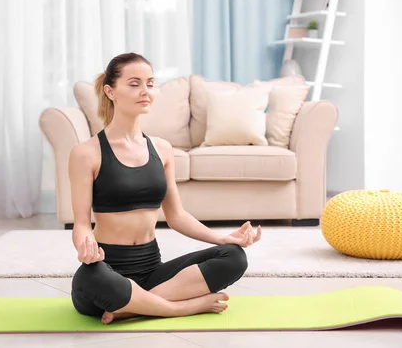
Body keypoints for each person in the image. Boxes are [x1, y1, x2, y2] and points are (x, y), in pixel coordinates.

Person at [68, 52, 262, 325]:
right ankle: (182, 307)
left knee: (233, 257)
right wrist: (84, 246)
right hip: (107, 271)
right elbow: (81, 222)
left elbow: (177, 216)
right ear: (110, 91)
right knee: (92, 277)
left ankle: (134, 306)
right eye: (134, 84)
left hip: (152, 270)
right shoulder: (86, 153)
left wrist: (221, 239)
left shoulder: (162, 149)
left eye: (150, 83)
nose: (145, 91)